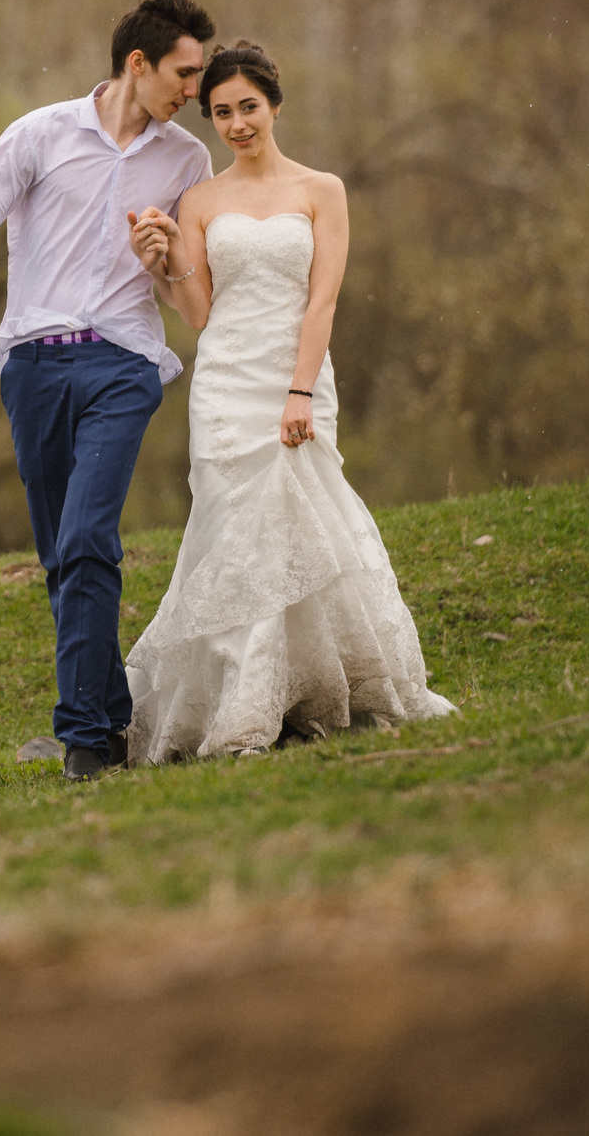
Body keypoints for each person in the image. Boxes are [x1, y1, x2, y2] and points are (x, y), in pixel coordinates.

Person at [121, 40, 453, 761]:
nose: (237, 124)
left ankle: (311, 687)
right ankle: (244, 699)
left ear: (274, 104)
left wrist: (300, 390)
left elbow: (322, 300)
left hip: (295, 375)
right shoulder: (200, 200)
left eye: (248, 107)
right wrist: (160, 264)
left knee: (305, 518)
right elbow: (198, 311)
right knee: (232, 532)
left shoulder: (321, 190)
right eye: (221, 113)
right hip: (225, 385)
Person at [0, 0, 218, 782]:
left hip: (123, 366)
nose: (193, 90)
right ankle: (111, 716)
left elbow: (188, 298)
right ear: (137, 63)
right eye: (184, 74)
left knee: (88, 535)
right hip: (35, 368)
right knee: (63, 553)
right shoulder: (39, 135)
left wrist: (164, 257)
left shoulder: (187, 162)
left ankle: (84, 741)